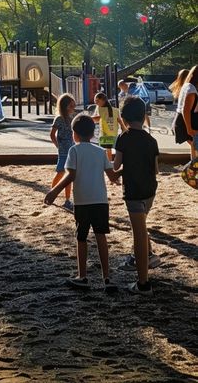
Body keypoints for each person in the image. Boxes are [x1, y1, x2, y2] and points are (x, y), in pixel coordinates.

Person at [45, 113, 119, 292]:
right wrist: (128, 170)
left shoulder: (74, 151)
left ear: (74, 134)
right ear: (93, 133)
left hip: (82, 201)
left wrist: (54, 191)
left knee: (81, 238)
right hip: (100, 201)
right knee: (101, 236)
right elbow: (112, 176)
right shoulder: (101, 151)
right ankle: (107, 277)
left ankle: (82, 275)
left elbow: (71, 175)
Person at [113, 96, 160, 294]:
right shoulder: (152, 140)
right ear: (144, 116)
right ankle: (148, 255)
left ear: (123, 117)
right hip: (150, 190)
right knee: (142, 226)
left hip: (133, 192)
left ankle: (143, 283)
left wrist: (122, 171)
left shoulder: (123, 138)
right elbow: (156, 169)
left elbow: (116, 165)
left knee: (138, 233)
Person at [49, 93, 76, 211]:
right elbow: (52, 134)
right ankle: (52, 192)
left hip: (71, 149)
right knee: (60, 172)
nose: (73, 108)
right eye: (71, 106)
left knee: (68, 175)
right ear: (65, 106)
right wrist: (57, 145)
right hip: (63, 151)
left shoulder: (71, 119)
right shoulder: (59, 119)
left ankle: (67, 199)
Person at [92, 91, 123, 160]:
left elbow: (97, 118)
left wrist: (88, 118)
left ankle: (108, 165)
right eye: (95, 101)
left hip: (105, 134)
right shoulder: (114, 110)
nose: (95, 103)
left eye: (97, 101)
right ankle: (110, 165)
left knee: (105, 150)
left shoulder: (102, 109)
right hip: (113, 133)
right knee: (109, 150)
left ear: (103, 100)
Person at [169, 69, 192, 151]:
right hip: (186, 120)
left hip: (180, 120)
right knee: (193, 144)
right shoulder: (189, 89)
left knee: (193, 145)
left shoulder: (179, 89)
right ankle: (194, 162)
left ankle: (194, 162)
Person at [180, 64, 198, 160]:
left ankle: (193, 172)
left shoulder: (188, 86)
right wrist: (189, 129)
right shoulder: (191, 90)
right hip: (190, 124)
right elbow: (185, 110)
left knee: (194, 152)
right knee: (196, 155)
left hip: (190, 123)